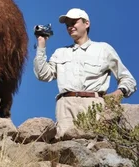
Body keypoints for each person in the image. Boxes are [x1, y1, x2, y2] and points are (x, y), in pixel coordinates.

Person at [33, 8, 137, 138]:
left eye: (74, 22)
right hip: (66, 105)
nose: (70, 27)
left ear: (86, 23)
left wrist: (118, 93)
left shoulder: (103, 49)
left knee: (95, 146)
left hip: (94, 105)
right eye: (68, 25)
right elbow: (43, 75)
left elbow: (128, 80)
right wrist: (41, 45)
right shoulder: (60, 52)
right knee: (65, 147)